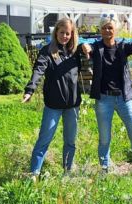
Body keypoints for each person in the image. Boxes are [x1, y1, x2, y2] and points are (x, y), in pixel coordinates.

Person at [23, 18, 91, 181]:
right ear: (56, 33)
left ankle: (67, 171)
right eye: (62, 33)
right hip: (53, 106)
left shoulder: (76, 52)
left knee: (70, 141)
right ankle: (34, 173)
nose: (65, 36)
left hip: (72, 105)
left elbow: (93, 50)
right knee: (44, 140)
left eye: (68, 33)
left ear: (72, 34)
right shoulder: (47, 51)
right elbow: (38, 70)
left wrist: (86, 46)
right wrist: (30, 90)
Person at [89, 17, 132, 177]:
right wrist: (84, 46)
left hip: (124, 99)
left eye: (110, 28)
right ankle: (104, 168)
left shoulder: (122, 47)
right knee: (104, 137)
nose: (107, 31)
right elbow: (85, 46)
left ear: (115, 29)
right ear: (100, 30)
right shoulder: (96, 48)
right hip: (104, 99)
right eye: (104, 28)